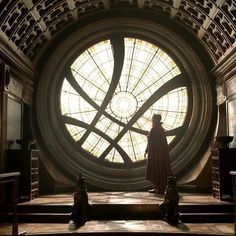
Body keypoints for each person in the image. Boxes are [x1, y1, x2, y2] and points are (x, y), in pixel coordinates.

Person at [144, 114, 172, 194]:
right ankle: (157, 187)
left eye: (153, 119)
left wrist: (148, 139)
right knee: (159, 169)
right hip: (158, 154)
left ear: (156, 119)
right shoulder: (160, 129)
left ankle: (159, 188)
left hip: (156, 154)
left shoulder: (155, 129)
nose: (152, 120)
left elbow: (153, 141)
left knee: (156, 169)